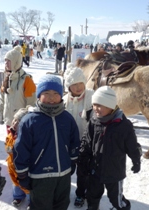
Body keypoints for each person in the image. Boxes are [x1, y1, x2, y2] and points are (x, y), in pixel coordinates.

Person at [13, 75, 80, 210]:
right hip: (40, 176)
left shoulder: (67, 118)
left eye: (56, 93)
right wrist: (22, 174)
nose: (51, 97)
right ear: (38, 95)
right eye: (46, 93)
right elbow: (21, 149)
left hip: (63, 175)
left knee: (61, 205)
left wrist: (72, 161)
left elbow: (74, 142)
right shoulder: (30, 120)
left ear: (61, 95)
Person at [78, 86, 142, 210]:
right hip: (95, 169)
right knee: (92, 195)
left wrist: (136, 159)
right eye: (94, 104)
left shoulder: (123, 125)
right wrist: (83, 159)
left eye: (100, 105)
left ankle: (123, 207)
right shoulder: (93, 121)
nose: (96, 109)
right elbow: (86, 141)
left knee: (116, 199)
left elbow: (132, 145)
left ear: (111, 106)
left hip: (114, 172)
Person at [63, 63, 94, 207]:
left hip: (86, 144)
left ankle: (81, 193)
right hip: (67, 144)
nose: (78, 87)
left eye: (81, 83)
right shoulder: (63, 101)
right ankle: (63, 192)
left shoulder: (91, 97)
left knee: (83, 172)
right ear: (68, 87)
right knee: (66, 170)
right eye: (74, 85)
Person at [0, 45, 36, 131]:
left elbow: (31, 104)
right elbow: (2, 99)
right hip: (8, 121)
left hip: (21, 123)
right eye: (5, 61)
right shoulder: (7, 78)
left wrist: (24, 120)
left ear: (16, 62)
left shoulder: (27, 80)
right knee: (10, 143)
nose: (6, 63)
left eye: (9, 61)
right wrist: (0, 113)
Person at [5, 107, 30, 208]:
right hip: (12, 165)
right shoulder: (11, 133)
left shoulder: (26, 138)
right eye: (15, 120)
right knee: (15, 183)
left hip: (23, 168)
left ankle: (31, 201)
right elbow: (7, 143)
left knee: (27, 187)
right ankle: (18, 196)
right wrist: (8, 148)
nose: (15, 123)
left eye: (19, 122)